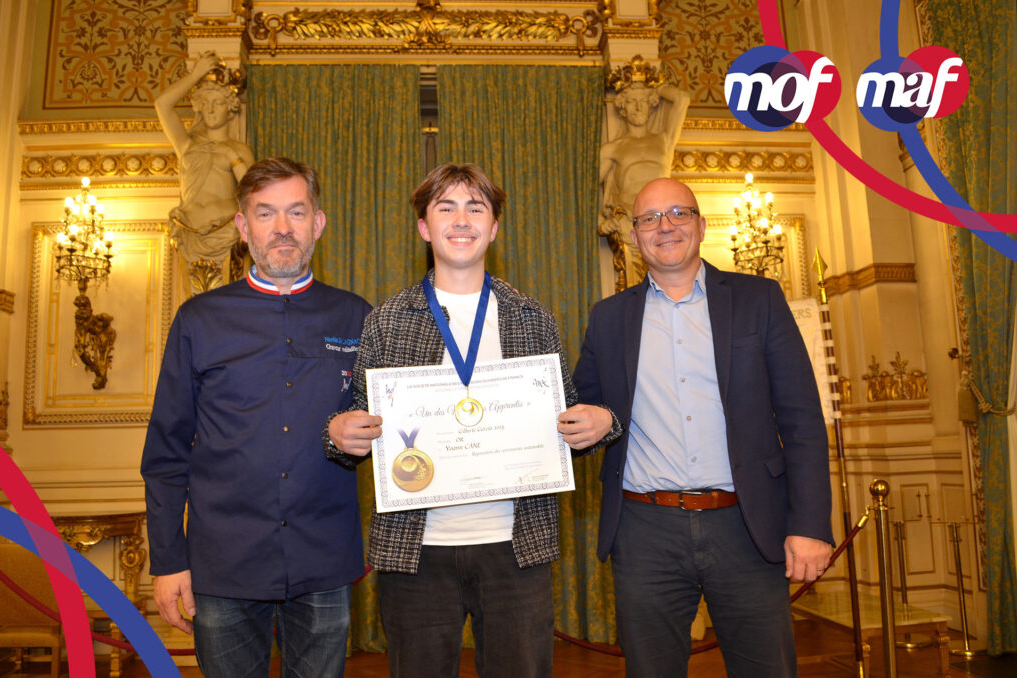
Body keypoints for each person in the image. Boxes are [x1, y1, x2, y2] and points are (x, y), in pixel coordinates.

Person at [324, 163, 617, 678]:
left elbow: (568, 423)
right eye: (446, 207)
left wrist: (599, 423)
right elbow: (358, 420)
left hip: (516, 548)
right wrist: (338, 433)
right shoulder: (387, 320)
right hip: (416, 550)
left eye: (475, 208)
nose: (461, 220)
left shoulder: (532, 317)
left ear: (494, 227)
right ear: (424, 227)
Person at [573, 177, 834, 677]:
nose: (665, 226)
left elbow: (801, 419)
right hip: (644, 530)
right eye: (649, 219)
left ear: (702, 224)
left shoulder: (759, 299)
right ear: (635, 236)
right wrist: (594, 421)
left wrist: (809, 525)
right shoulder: (608, 318)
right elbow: (586, 412)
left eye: (678, 213)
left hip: (747, 523)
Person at [141, 158, 370, 678]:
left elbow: (392, 430)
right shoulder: (199, 319)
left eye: (296, 212)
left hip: (324, 560)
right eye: (266, 214)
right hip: (223, 563)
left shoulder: (357, 315)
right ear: (243, 228)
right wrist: (168, 561)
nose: (283, 228)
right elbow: (166, 454)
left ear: (318, 223)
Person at [155, 52, 254, 293]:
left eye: (217, 103)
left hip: (226, 234)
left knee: (225, 301)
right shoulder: (186, 145)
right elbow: (162, 105)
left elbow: (253, 192)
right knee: (194, 301)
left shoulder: (239, 149)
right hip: (189, 233)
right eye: (205, 103)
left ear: (230, 107)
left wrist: (231, 156)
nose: (210, 110)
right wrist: (195, 75)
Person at [599, 76, 690, 291]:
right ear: (622, 108)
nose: (639, 107)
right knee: (637, 292)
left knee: (675, 287)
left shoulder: (664, 140)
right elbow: (582, 190)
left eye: (643, 101)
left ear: (652, 104)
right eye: (632, 101)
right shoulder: (613, 148)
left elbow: (682, 98)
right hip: (631, 225)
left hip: (668, 223)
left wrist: (656, 88)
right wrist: (601, 221)